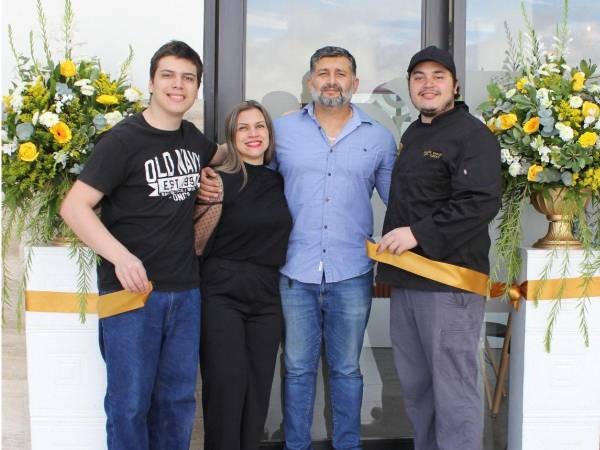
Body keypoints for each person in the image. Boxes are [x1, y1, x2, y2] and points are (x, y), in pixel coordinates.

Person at [199, 46, 397, 450]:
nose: (331, 80)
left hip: (352, 271)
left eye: (340, 73)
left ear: (354, 84)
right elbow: (249, 173)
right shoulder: (282, 131)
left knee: (345, 370)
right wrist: (209, 180)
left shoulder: (378, 138)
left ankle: (346, 444)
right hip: (292, 272)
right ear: (310, 82)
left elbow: (400, 201)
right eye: (322, 72)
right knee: (296, 369)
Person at [60, 40, 224, 450]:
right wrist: (120, 256)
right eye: (168, 75)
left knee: (177, 403)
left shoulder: (194, 140)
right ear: (151, 82)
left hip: (185, 292)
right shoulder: (123, 140)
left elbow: (223, 159)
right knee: (129, 405)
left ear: (197, 88)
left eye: (188, 78)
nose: (177, 85)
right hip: (131, 295)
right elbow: (74, 207)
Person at [376, 46, 502, 450]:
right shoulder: (414, 133)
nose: (427, 84)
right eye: (419, 77)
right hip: (408, 281)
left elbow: (479, 203)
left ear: (455, 85)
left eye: (438, 77)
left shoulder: (473, 135)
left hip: (449, 285)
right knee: (418, 390)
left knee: (454, 391)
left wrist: (417, 234)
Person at [198, 100, 293, 450]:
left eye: (260, 126)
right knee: (227, 389)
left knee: (256, 394)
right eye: (243, 128)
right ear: (231, 138)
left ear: (269, 134)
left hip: (267, 295)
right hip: (222, 292)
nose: (253, 134)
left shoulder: (281, 181)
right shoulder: (216, 182)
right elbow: (197, 242)